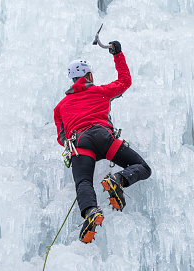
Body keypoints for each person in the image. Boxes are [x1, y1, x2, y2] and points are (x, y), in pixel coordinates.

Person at [54, 41, 152, 243]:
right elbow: (125, 81)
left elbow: (61, 138)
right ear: (89, 76)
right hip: (103, 137)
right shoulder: (100, 92)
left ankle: (90, 211)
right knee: (142, 167)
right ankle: (118, 180)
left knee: (83, 182)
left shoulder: (60, 107)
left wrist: (73, 141)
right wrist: (118, 54)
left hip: (80, 144)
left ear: (73, 79)